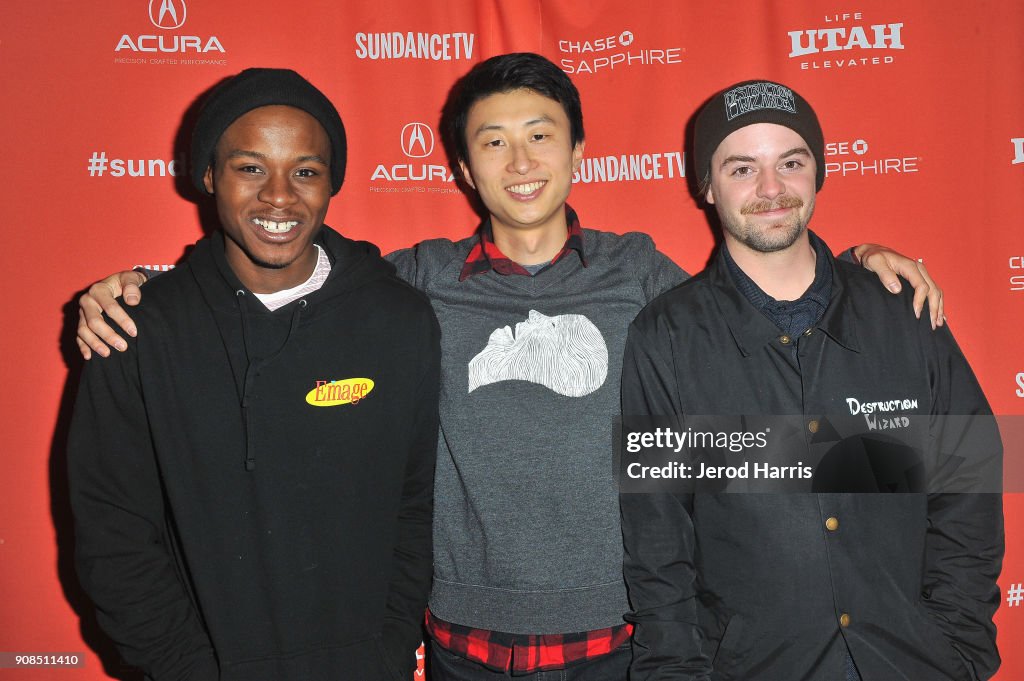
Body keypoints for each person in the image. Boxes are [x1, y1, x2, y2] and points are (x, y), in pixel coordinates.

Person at [73, 55, 943, 680]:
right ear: (461, 166)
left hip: (623, 638)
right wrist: (144, 285)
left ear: (577, 153)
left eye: (540, 136)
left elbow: (755, 310)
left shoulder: (641, 272)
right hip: (464, 644)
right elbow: (291, 261)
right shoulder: (415, 280)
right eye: (494, 142)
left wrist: (857, 268)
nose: (520, 162)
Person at [619, 79, 1003, 681]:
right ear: (706, 185)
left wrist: (956, 646)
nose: (771, 189)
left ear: (818, 171)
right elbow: (657, 542)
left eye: (790, 163)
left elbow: (970, 481)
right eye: (742, 168)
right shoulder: (664, 337)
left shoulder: (902, 311)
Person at [67, 68, 441, 681]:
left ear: (330, 184)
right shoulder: (134, 330)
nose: (278, 196)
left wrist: (387, 650)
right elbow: (114, 534)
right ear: (209, 176)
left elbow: (416, 509)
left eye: (305, 171)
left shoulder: (400, 320)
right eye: (250, 168)